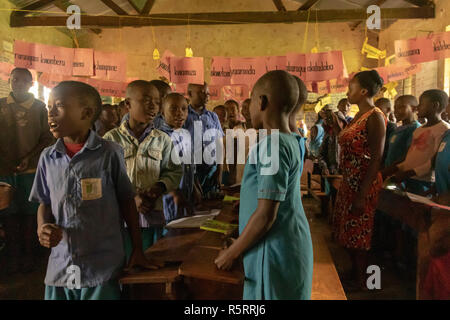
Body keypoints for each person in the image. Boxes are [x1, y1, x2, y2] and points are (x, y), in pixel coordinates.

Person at [29, 81, 156, 300]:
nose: (50, 112)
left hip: (101, 266)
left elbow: (127, 201)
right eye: (49, 106)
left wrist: (137, 249)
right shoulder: (48, 157)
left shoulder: (108, 153)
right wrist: (42, 228)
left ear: (86, 113)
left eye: (58, 106)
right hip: (61, 265)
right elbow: (45, 202)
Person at [214, 70, 313, 300]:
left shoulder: (273, 146)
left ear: (262, 101)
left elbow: (266, 215)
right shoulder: (290, 139)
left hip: (273, 249)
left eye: (250, 102)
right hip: (284, 241)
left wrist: (232, 253)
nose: (248, 110)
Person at [103, 80, 182, 258]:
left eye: (156, 102)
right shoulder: (110, 140)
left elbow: (174, 171)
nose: (153, 106)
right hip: (120, 220)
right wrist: (132, 197)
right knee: (124, 263)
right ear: (128, 104)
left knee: (152, 260)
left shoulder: (162, 139)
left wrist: (158, 188)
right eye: (146, 101)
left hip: (152, 214)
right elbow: (105, 177)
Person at [333, 70, 387, 290]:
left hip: (363, 183)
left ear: (364, 91)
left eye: (351, 87)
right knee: (346, 232)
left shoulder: (375, 116)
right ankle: (354, 272)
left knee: (359, 234)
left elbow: (376, 158)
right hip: (350, 181)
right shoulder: (358, 116)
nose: (348, 92)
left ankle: (364, 281)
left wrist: (362, 194)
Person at [0, 67, 54, 274]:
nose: (19, 83)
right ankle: (14, 257)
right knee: (9, 215)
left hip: (31, 170)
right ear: (10, 81)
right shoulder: (2, 105)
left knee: (30, 216)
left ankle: (30, 257)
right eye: (15, 80)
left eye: (24, 80)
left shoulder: (39, 107)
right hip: (4, 170)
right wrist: (6, 159)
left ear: (31, 83)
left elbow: (47, 138)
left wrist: (28, 158)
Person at [384, 90, 450, 194]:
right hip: (407, 177)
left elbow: (434, 161)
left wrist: (410, 172)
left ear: (434, 106)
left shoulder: (442, 129)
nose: (418, 107)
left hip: (424, 181)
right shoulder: (419, 130)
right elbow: (410, 155)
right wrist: (396, 168)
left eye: (422, 104)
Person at [156, 93, 200, 222]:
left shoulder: (185, 135)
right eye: (173, 109)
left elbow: (190, 165)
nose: (180, 113)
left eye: (184, 109)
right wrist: (173, 192)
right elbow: (157, 172)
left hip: (186, 195)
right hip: (169, 200)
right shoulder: (159, 137)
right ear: (162, 112)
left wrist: (195, 186)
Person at [184, 82, 224, 198]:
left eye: (207, 93)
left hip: (211, 170)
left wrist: (219, 171)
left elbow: (219, 145)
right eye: (201, 93)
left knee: (210, 205)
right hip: (191, 171)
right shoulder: (184, 116)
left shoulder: (213, 116)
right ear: (190, 93)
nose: (206, 96)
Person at [382, 95, 420, 169]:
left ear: (413, 109)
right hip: (389, 172)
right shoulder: (397, 130)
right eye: (395, 108)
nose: (396, 111)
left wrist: (389, 170)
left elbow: (408, 155)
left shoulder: (415, 129)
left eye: (401, 107)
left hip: (401, 173)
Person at [375, 98, 397, 164]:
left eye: (379, 110)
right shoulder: (375, 125)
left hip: (384, 161)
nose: (376, 112)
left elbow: (389, 147)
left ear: (388, 110)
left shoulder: (391, 126)